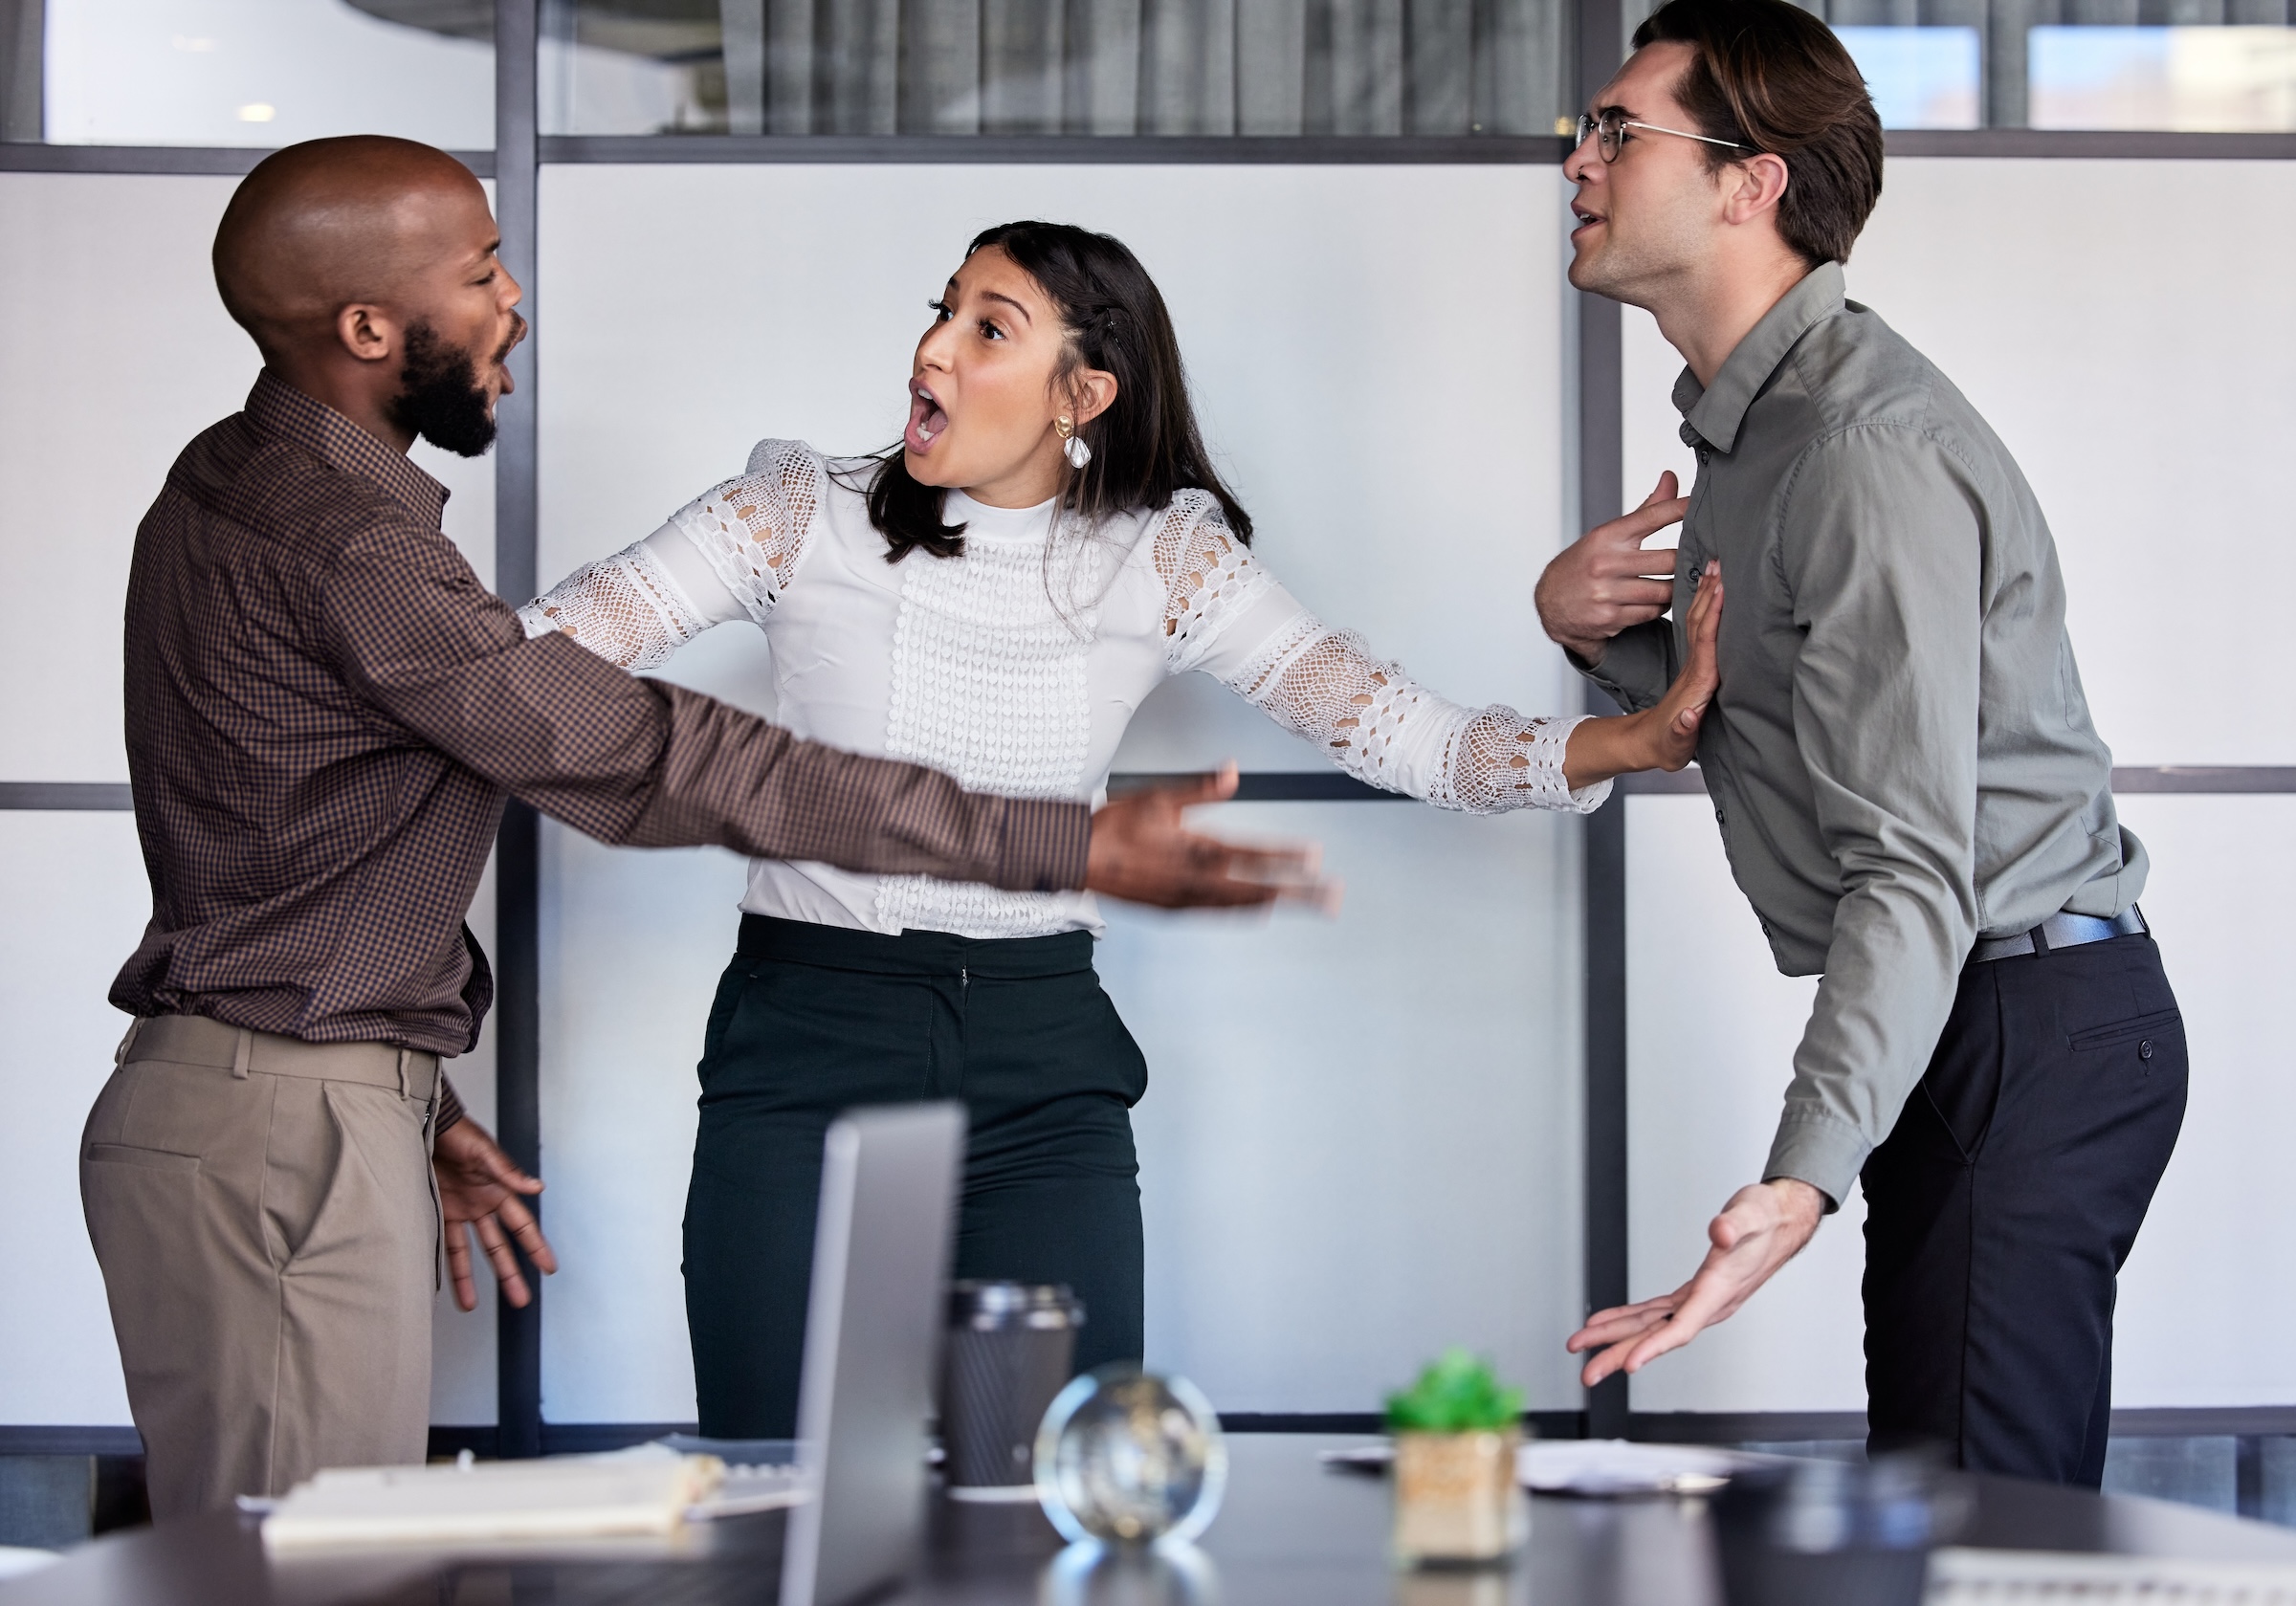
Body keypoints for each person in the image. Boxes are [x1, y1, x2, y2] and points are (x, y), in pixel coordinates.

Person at [87, 138, 1317, 1520]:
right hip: (286, 1116)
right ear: (371, 328)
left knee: (310, 1546)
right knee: (302, 1560)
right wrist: (1066, 842)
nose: (516, 305)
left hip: (295, 1094)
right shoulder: (350, 545)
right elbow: (653, 754)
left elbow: (292, 857)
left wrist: (403, 1093)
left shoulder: (244, 481)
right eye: (484, 271)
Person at [521, 218, 1728, 1438]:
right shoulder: (795, 511)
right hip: (806, 1043)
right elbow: (520, 673)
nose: (931, 352)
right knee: (772, 1478)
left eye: (987, 328)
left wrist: (1635, 737)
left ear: (1083, 392)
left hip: (1043, 1066)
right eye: (939, 312)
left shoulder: (1164, 559)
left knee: (1063, 1480)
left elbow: (1401, 730)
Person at [1537, 0, 2182, 1486]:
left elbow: (1911, 862)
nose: (1579, 161)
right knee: (1954, 1499)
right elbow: (1756, 716)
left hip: (2025, 1014)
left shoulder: (1854, 450)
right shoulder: (1759, 438)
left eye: (1617, 130)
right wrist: (1586, 625)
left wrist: (1799, 1179)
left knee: (1984, 1535)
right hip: (1977, 1012)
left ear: (1746, 182)